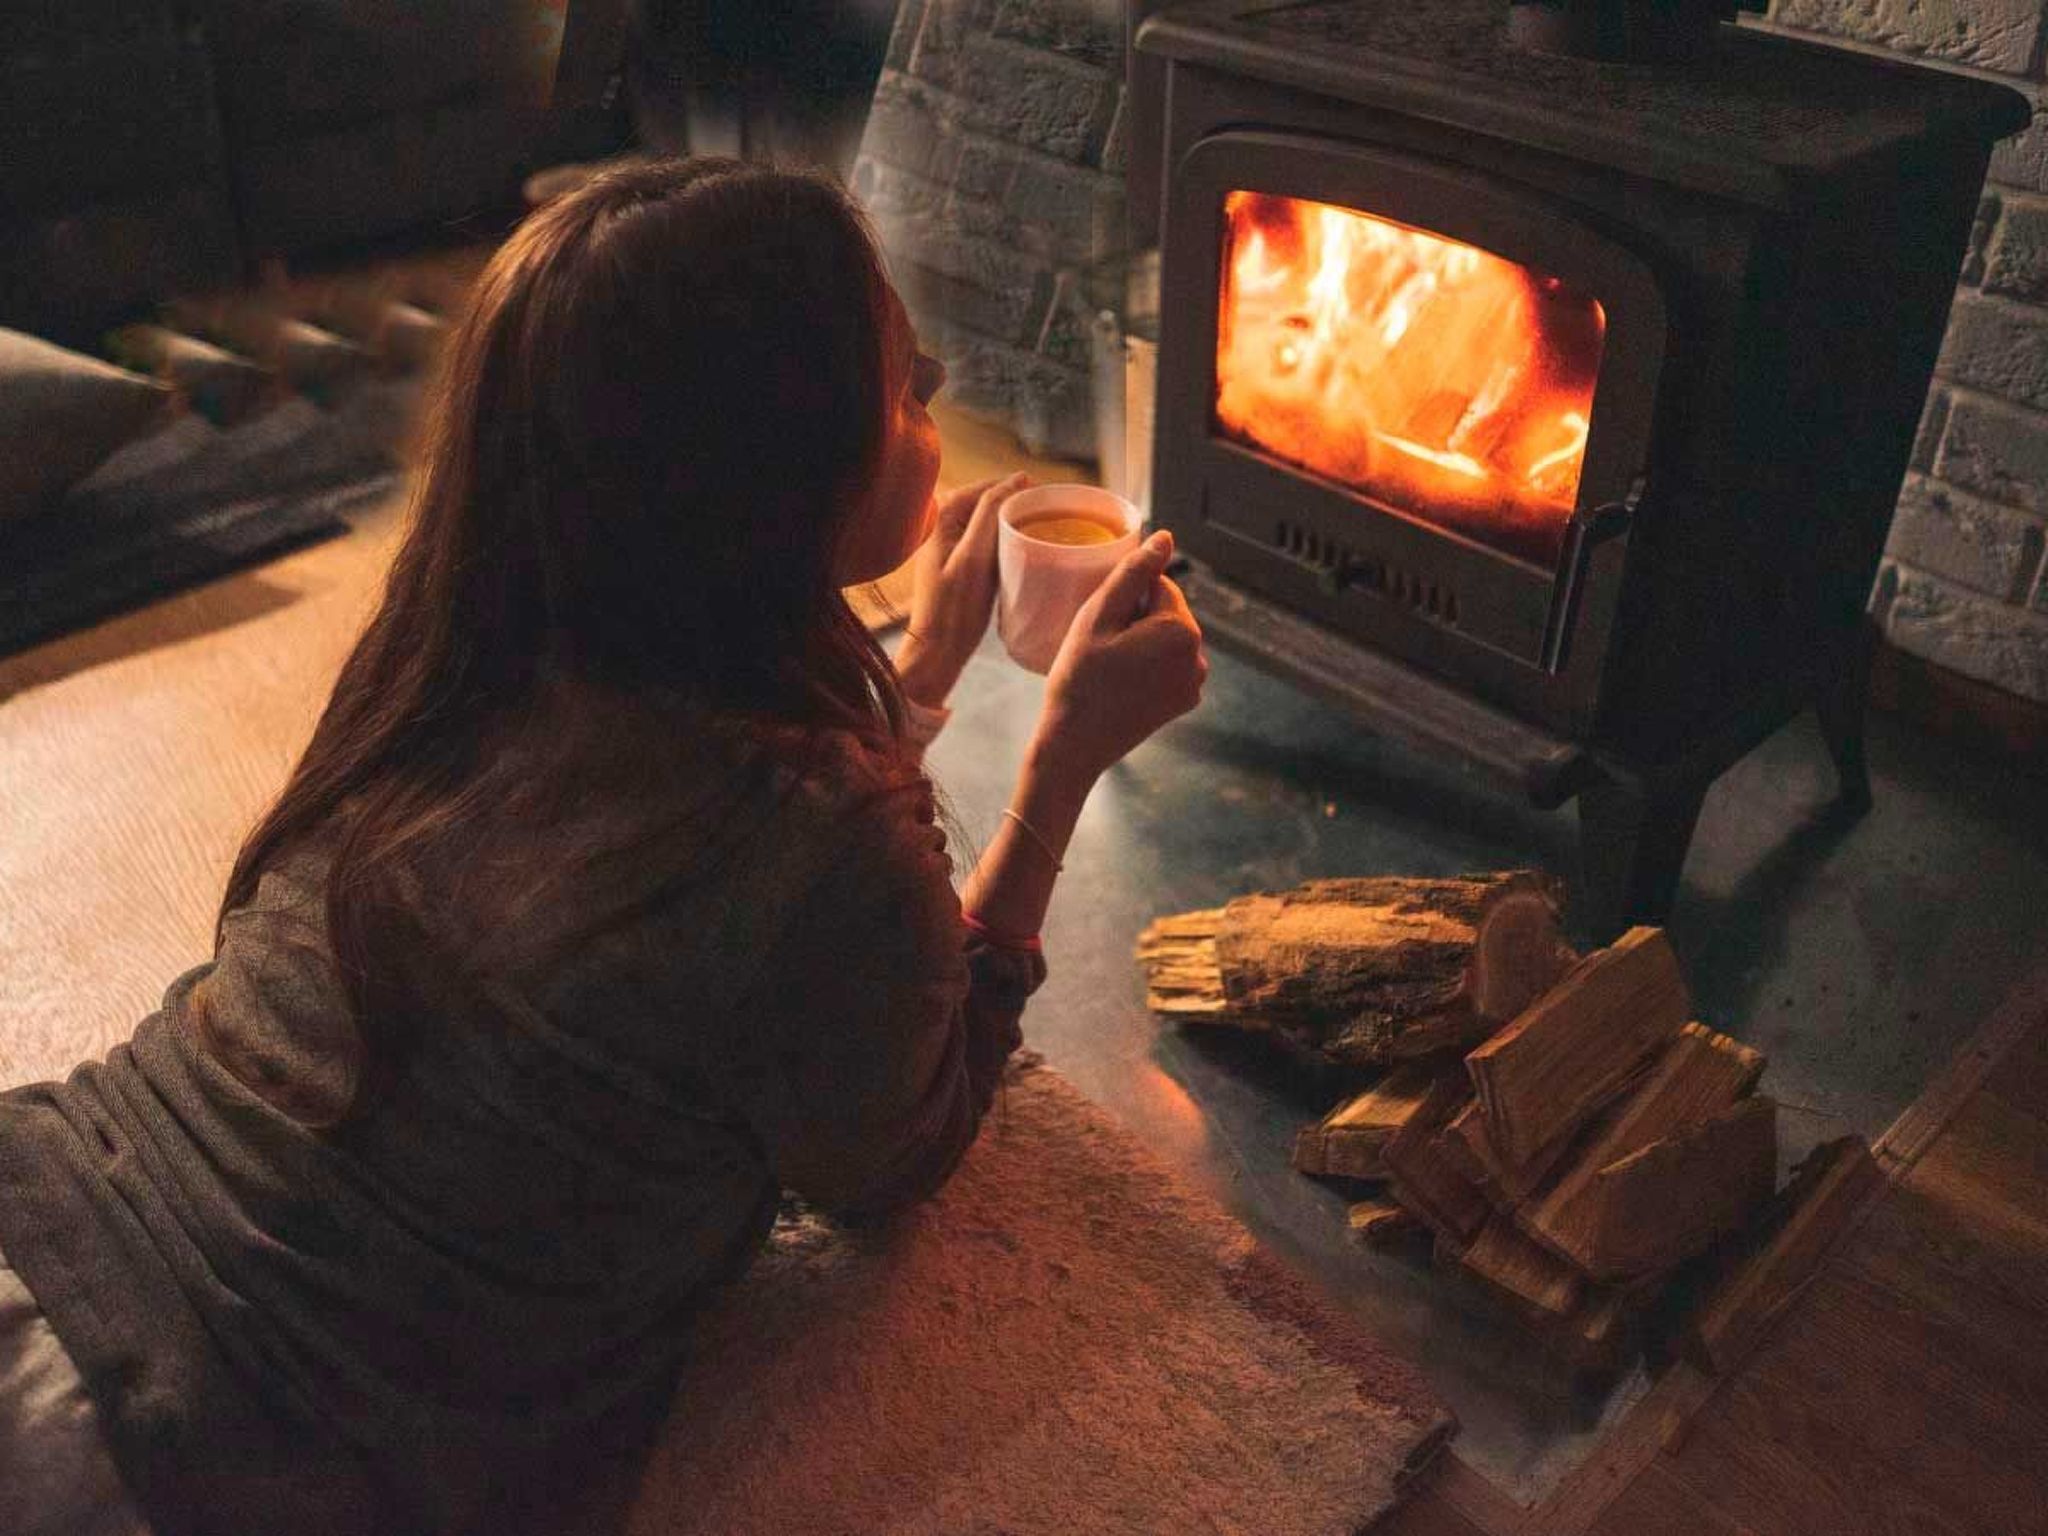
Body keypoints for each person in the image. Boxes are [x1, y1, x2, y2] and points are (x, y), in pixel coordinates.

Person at [0, 158, 1205, 1535]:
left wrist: (916, 676)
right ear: (766, 471)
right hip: (179, 1443)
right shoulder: (820, 846)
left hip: (47, 1199)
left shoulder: (461, 645)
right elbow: (895, 1156)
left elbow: (721, 896)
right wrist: (1059, 766)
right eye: (894, 379)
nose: (932, 383)